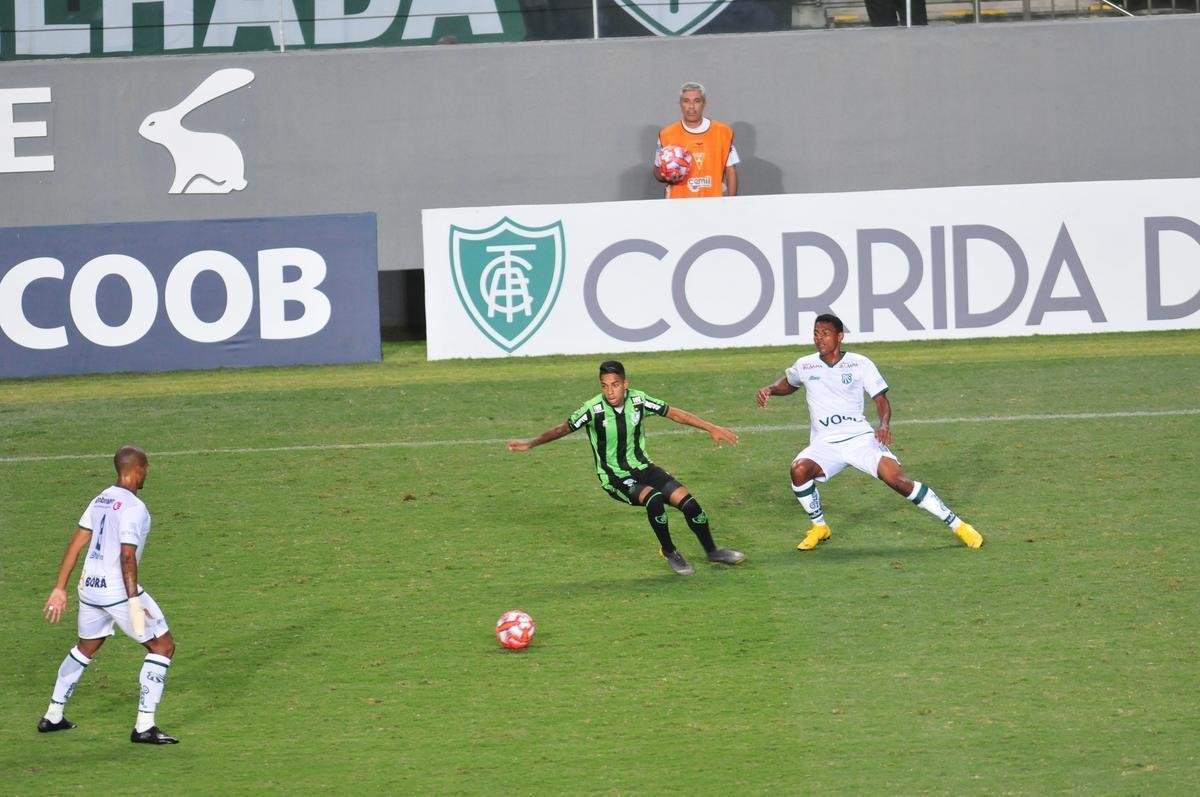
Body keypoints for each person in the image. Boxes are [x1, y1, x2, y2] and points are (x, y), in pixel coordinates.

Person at [756, 314, 983, 551]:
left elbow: (881, 399)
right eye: (816, 333)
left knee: (898, 481)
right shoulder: (805, 364)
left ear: (840, 336)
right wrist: (770, 389)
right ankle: (819, 527)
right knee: (799, 470)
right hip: (825, 443)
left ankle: (959, 526)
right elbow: (790, 382)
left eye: (825, 333)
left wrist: (883, 425)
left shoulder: (859, 363)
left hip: (860, 439)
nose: (819, 338)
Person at [508, 360, 745, 575]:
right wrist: (531, 443)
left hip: (644, 468)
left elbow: (674, 413)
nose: (609, 391)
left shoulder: (638, 400)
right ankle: (670, 551)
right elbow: (562, 429)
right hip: (615, 477)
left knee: (690, 505)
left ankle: (713, 551)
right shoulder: (592, 410)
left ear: (625, 384)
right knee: (652, 499)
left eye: (615, 384)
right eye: (604, 385)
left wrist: (711, 427)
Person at [39, 445, 179, 744]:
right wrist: (133, 602)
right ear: (137, 469)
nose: (147, 474)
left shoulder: (100, 498)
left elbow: (76, 544)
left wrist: (59, 588)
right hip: (117, 590)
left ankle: (52, 715)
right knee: (163, 646)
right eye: (146, 468)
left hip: (89, 588)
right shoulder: (133, 507)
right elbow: (127, 556)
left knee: (86, 647)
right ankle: (144, 726)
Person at [654, 81, 739, 199]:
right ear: (680, 104)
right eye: (686, 101)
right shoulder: (666, 134)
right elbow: (657, 171)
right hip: (678, 205)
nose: (691, 107)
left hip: (714, 203)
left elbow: (731, 171)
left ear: (704, 104)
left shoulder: (723, 132)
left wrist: (733, 203)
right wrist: (665, 175)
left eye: (697, 101)